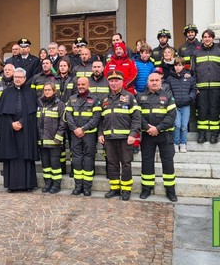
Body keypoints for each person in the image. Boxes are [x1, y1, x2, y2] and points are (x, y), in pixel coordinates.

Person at [98, 70, 141, 200]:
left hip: (125, 138)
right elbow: (99, 119)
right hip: (109, 139)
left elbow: (136, 118)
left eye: (116, 80)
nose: (114, 83)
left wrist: (133, 134)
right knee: (112, 164)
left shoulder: (129, 97)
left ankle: (126, 189)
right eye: (111, 81)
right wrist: (100, 133)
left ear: (122, 82)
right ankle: (115, 188)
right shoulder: (104, 99)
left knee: (126, 164)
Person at [0, 67, 39, 192]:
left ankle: (28, 184)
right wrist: (11, 124)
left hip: (26, 130)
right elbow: (2, 114)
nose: (17, 79)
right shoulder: (6, 93)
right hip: (10, 130)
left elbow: (32, 113)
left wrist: (22, 122)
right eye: (15, 77)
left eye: (20, 77)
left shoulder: (31, 93)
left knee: (26, 155)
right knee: (11, 156)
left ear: (25, 78)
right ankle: (12, 185)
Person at [136, 73, 178, 202]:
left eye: (156, 80)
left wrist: (157, 128)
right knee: (147, 162)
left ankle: (170, 190)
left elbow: (171, 116)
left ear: (161, 81)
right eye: (152, 80)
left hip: (165, 135)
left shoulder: (168, 96)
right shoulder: (140, 97)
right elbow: (137, 116)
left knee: (168, 162)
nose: (154, 82)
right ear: (148, 82)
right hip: (147, 135)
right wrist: (148, 128)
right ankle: (146, 188)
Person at [65, 76, 101, 196]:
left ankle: (87, 187)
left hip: (89, 134)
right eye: (79, 84)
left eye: (83, 84)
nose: (80, 86)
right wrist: (75, 129)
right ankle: (78, 186)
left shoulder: (95, 99)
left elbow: (96, 117)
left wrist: (84, 128)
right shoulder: (72, 99)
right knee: (76, 159)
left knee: (88, 159)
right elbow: (68, 116)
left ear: (88, 85)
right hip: (75, 134)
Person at [191, 29, 220, 144]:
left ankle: (214, 134)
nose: (207, 39)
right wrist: (195, 87)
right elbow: (192, 72)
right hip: (201, 88)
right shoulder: (196, 53)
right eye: (205, 37)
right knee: (201, 110)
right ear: (202, 39)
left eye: (209, 37)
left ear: (213, 38)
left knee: (215, 110)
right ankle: (201, 134)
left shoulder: (218, 51)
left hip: (216, 87)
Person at [37, 82, 66, 194]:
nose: (47, 92)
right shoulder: (39, 104)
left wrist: (58, 137)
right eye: (45, 90)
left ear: (54, 91)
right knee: (45, 165)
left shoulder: (60, 104)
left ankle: (56, 184)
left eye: (49, 90)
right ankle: (47, 183)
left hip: (55, 141)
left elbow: (63, 122)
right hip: (42, 141)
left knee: (55, 165)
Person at [166, 57, 197, 153]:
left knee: (184, 125)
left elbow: (194, 89)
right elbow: (167, 90)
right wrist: (172, 100)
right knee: (177, 124)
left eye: (180, 65)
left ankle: (183, 144)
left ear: (183, 66)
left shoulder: (189, 78)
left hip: (186, 105)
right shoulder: (170, 78)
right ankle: (176, 143)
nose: (177, 67)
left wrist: (190, 98)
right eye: (176, 65)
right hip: (175, 106)